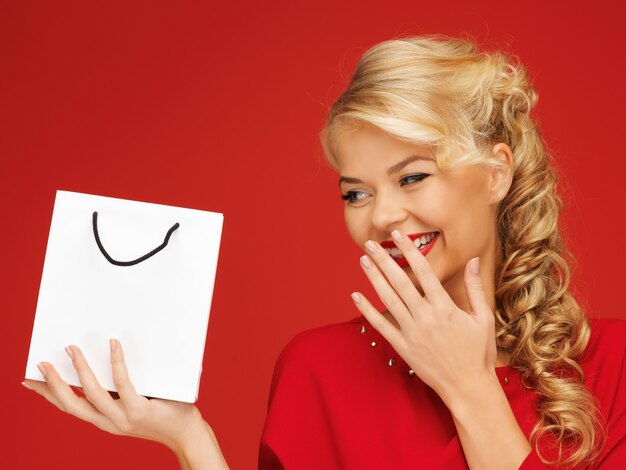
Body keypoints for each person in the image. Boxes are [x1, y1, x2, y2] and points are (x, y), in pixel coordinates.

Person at [22, 35, 626, 469]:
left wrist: (468, 387)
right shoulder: (318, 369)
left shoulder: (612, 368)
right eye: (356, 192)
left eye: (412, 177)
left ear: (495, 174)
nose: (382, 216)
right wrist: (189, 438)